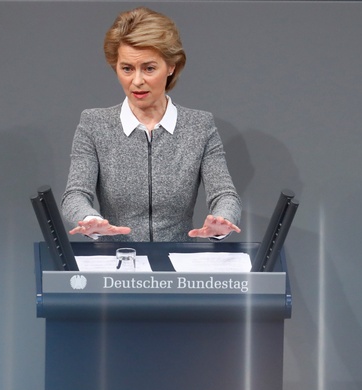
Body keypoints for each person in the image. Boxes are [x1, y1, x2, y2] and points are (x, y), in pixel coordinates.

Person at [61, 6, 241, 242]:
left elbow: (225, 195)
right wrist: (89, 218)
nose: (137, 81)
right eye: (127, 68)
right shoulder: (94, 125)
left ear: (171, 66)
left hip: (177, 259)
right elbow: (75, 195)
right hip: (117, 259)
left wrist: (222, 220)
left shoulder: (200, 126)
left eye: (149, 68)